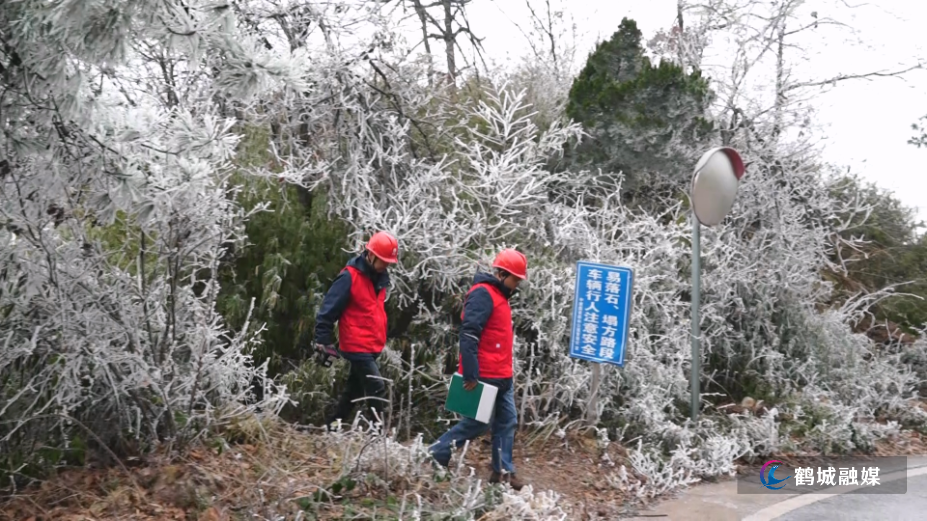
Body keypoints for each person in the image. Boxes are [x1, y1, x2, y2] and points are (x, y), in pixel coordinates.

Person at [429, 248, 528, 490]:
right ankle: (436, 452)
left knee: (507, 421)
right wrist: (471, 372)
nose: (517, 284)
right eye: (515, 279)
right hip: (484, 374)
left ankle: (502, 471)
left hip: (502, 374)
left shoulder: (500, 296)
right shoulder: (483, 294)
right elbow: (469, 333)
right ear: (502, 274)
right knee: (477, 423)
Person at [312, 231, 398, 429]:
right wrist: (322, 341)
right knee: (377, 386)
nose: (386, 265)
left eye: (389, 262)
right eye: (383, 261)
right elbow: (327, 310)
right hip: (356, 344)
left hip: (372, 345)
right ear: (371, 255)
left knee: (353, 391)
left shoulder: (380, 279)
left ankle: (331, 427)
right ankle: (379, 436)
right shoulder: (349, 277)